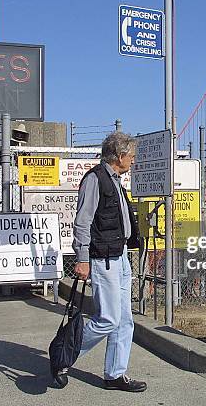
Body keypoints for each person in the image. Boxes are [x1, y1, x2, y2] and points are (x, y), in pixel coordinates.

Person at [51, 132, 147, 392]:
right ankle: (63, 355)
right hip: (103, 259)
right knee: (109, 319)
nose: (133, 161)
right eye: (132, 156)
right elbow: (82, 222)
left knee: (125, 320)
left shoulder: (115, 181)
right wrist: (82, 259)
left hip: (121, 257)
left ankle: (115, 374)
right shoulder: (95, 180)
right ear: (119, 156)